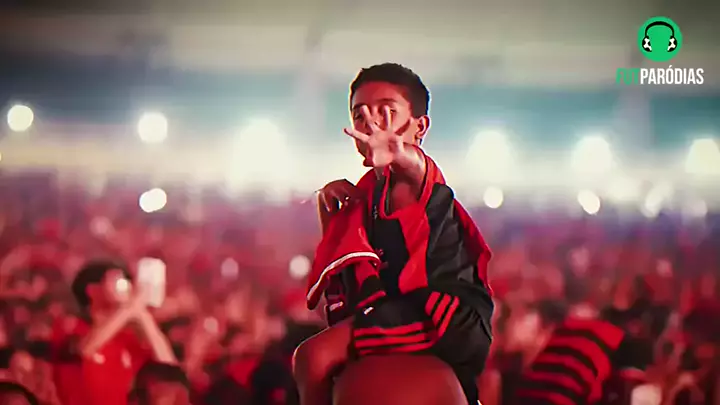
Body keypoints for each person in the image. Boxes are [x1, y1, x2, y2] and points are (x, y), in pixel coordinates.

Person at [293, 63, 494, 405]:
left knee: (313, 358)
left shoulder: (415, 179)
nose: (371, 123)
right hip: (401, 310)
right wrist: (331, 218)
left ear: (420, 126)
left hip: (442, 316)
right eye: (360, 115)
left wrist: (399, 153)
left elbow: (416, 166)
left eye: (386, 111)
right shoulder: (369, 191)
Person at [51, 260, 177, 405]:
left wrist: (142, 315)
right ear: (92, 290)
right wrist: (129, 308)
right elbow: (87, 349)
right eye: (117, 281)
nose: (126, 287)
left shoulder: (127, 338)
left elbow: (169, 367)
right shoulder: (70, 325)